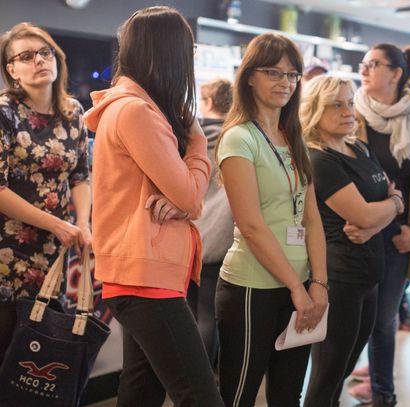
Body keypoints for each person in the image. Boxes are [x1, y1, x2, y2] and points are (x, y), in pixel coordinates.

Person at [84, 7, 223, 407]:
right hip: (145, 277)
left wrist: (182, 199)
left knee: (143, 390)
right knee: (199, 395)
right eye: (188, 51)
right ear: (170, 53)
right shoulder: (135, 111)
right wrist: (197, 142)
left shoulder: (135, 108)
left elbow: (182, 198)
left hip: (145, 273)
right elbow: (191, 197)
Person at [215, 32, 328, 407]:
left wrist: (319, 284)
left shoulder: (293, 136)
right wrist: (298, 287)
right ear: (250, 76)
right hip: (253, 287)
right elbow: (251, 225)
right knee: (239, 395)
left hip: (301, 285)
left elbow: (312, 218)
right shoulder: (239, 138)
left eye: (292, 74)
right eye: (273, 72)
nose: (285, 82)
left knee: (287, 394)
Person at [349, 44, 410, 406]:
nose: (364, 69)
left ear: (396, 73)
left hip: (398, 239)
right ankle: (335, 386)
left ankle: (383, 394)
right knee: (351, 319)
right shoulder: (347, 118)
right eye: (364, 63)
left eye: (374, 64)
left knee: (384, 318)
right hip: (353, 234)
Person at [300, 75, 404, 407]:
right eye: (336, 105)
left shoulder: (357, 146)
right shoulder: (320, 160)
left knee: (343, 370)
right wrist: (392, 206)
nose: (348, 112)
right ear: (315, 110)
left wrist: (381, 216)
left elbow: (379, 207)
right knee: (328, 373)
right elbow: (365, 214)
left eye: (349, 102)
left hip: (369, 275)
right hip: (340, 279)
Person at [0, 23, 91, 364]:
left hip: (55, 249)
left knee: (38, 359)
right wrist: (57, 224)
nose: (39, 60)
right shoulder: (5, 112)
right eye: (26, 56)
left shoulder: (73, 112)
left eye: (44, 52)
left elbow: (81, 177)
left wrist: (83, 224)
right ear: (12, 70)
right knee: (7, 353)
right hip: (7, 252)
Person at [188, 78, 233, 367]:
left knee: (191, 315)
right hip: (223, 237)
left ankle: (194, 378)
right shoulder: (238, 138)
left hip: (191, 234)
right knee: (209, 316)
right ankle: (206, 378)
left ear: (207, 102)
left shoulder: (191, 139)